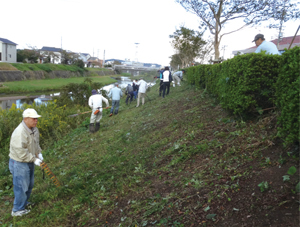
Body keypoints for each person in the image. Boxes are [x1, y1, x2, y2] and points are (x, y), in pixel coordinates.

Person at [9, 108, 43, 216]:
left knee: (29, 184)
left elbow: (36, 143)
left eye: (36, 118)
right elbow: (21, 152)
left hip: (30, 160)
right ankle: (17, 210)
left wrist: (39, 153)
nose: (36, 121)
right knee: (21, 186)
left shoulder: (34, 129)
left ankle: (24, 203)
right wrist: (34, 159)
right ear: (26, 119)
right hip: (19, 162)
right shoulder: (20, 133)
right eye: (33, 119)